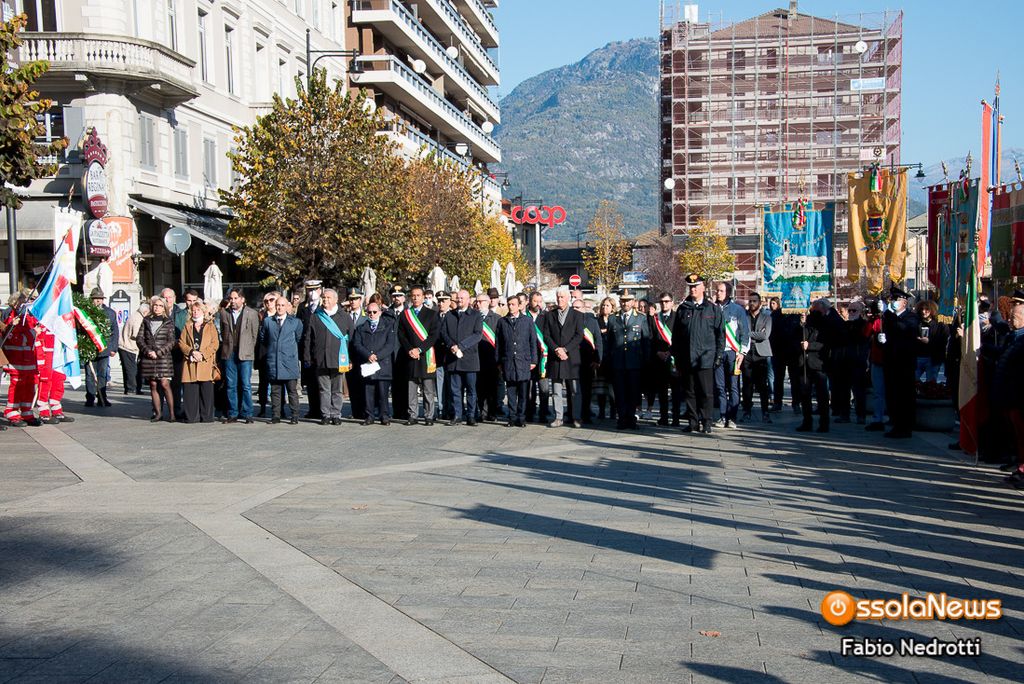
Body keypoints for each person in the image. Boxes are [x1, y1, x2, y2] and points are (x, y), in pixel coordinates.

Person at [672, 274, 724, 434]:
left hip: (705, 358)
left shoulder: (712, 308)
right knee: (690, 392)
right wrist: (677, 357)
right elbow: (676, 336)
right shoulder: (683, 308)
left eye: (695, 286)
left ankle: (706, 422)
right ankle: (693, 422)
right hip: (687, 358)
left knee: (706, 392)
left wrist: (718, 356)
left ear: (703, 288)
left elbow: (720, 335)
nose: (693, 289)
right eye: (690, 287)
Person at [304, 288, 353, 426]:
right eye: (324, 297)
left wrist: (350, 359)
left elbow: (352, 339)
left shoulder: (344, 317)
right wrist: (307, 357)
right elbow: (308, 338)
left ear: (336, 300)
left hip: (339, 359)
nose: (325, 300)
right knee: (324, 389)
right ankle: (325, 414)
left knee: (337, 390)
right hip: (321, 359)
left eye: (328, 297)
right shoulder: (316, 316)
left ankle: (336, 414)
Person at [542, 287, 585, 428]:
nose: (559, 299)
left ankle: (576, 417)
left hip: (571, 357)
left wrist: (565, 349)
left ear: (568, 298)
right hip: (556, 357)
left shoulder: (577, 315)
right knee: (556, 390)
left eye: (562, 297)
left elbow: (579, 335)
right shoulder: (550, 315)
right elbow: (546, 335)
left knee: (575, 390)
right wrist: (556, 349)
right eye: (558, 297)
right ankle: (558, 417)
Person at [880, 286, 920, 439]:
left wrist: (889, 313)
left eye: (897, 299)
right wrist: (880, 339)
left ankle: (905, 426)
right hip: (890, 360)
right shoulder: (889, 317)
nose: (894, 302)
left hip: (904, 362)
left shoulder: (911, 317)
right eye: (892, 299)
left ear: (904, 302)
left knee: (904, 396)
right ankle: (895, 423)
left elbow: (903, 328)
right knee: (892, 394)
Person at [397, 286, 440, 425]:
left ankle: (429, 416)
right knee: (412, 388)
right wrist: (410, 349)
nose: (415, 298)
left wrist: (420, 349)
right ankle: (413, 415)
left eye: (418, 295)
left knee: (428, 389)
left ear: (423, 297)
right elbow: (401, 335)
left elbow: (434, 335)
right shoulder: (405, 314)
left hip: (426, 355)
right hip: (410, 356)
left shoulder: (432, 314)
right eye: (413, 295)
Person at [607, 292, 650, 430]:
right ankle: (621, 418)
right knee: (619, 393)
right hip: (618, 362)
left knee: (633, 392)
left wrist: (646, 361)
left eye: (628, 301)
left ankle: (631, 419)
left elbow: (645, 341)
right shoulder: (613, 318)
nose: (625, 303)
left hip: (635, 362)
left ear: (633, 302)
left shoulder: (641, 318)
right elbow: (609, 342)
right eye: (623, 300)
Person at [217, 288, 260, 424]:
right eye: (231, 298)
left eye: (235, 298)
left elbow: (255, 335)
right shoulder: (224, 313)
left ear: (242, 299)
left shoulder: (251, 313)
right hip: (229, 353)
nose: (233, 301)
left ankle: (248, 413)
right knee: (231, 385)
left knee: (246, 384)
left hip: (245, 354)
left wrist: (248, 349)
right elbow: (223, 333)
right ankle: (233, 413)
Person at [259, 295, 304, 424]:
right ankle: (276, 415)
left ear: (287, 306)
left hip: (289, 361)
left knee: (292, 391)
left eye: (282, 305)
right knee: (275, 391)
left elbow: (298, 338)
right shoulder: (268, 321)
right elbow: (263, 338)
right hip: (274, 361)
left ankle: (294, 415)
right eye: (278, 305)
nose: (280, 307)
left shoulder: (295, 322)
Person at [441, 289, 483, 426]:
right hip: (453, 359)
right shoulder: (449, 315)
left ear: (468, 300)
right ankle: (457, 415)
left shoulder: (476, 315)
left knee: (471, 390)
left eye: (462, 298)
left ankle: (471, 416)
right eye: (458, 298)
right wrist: (452, 345)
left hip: (469, 359)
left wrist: (461, 346)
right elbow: (444, 332)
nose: (459, 300)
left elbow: (478, 334)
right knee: (455, 390)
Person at [496, 293, 538, 427]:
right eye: (509, 304)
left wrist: (534, 360)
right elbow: (499, 343)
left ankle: (521, 417)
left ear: (519, 306)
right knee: (511, 392)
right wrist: (498, 362)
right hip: (508, 362)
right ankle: (512, 417)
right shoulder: (502, 322)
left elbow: (533, 342)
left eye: (513, 304)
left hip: (523, 361)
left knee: (523, 393)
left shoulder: (527, 321)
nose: (510, 307)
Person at [353, 301, 397, 425]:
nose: (372, 314)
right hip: (368, 364)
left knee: (383, 393)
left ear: (380, 312)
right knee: (368, 392)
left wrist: (377, 356)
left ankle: (384, 416)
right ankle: (369, 416)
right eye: (369, 312)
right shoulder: (361, 327)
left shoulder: (388, 326)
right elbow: (357, 344)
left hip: (383, 364)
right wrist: (368, 355)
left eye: (374, 312)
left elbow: (390, 345)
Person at [713, 282, 749, 429]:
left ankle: (732, 417)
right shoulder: (713, 308)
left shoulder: (737, 310)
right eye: (717, 291)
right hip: (718, 353)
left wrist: (742, 352)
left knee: (733, 387)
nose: (718, 293)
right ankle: (722, 416)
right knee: (720, 387)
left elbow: (744, 332)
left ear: (728, 293)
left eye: (721, 291)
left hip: (733, 352)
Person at [997, 290, 1024, 488]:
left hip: (1019, 395)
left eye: (1014, 317)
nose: (1010, 320)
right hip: (1012, 394)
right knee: (1018, 436)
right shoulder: (1016, 338)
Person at [2, 294, 41, 427]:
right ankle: (12, 412)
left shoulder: (28, 318)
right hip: (16, 360)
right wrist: (33, 333)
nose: (25, 305)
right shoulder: (11, 317)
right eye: (22, 302)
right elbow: (13, 337)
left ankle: (26, 412)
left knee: (29, 386)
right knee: (16, 386)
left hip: (28, 359)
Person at [178, 299, 220, 423]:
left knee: (206, 391)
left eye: (198, 310)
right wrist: (191, 352)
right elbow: (181, 343)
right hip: (190, 362)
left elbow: (215, 343)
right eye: (193, 310)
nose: (195, 312)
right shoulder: (187, 326)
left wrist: (203, 354)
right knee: (190, 390)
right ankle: (192, 416)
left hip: (205, 362)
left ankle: (206, 416)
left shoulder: (210, 326)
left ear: (203, 311)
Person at [138, 296, 178, 422]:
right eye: (155, 305)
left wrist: (159, 352)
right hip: (149, 357)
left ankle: (172, 414)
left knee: (165, 383)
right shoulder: (146, 320)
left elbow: (171, 341)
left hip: (163, 358)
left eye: (160, 306)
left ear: (164, 308)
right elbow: (140, 338)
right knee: (153, 384)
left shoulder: (168, 321)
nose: (157, 308)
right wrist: (148, 351)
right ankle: (158, 413)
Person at [832, 300, 870, 425]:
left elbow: (862, 338)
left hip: (858, 361)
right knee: (844, 390)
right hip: (844, 361)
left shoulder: (864, 324)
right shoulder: (844, 325)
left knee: (859, 390)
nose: (851, 312)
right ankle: (844, 414)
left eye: (854, 310)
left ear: (860, 312)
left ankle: (861, 415)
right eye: (850, 310)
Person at [796, 302, 831, 433]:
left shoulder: (824, 324)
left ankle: (824, 422)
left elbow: (825, 344)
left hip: (818, 364)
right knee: (805, 394)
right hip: (804, 364)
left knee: (822, 395)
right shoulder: (805, 324)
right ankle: (807, 421)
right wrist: (801, 324)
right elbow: (796, 338)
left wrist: (809, 346)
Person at [741, 292, 773, 423]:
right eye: (750, 301)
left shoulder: (767, 318)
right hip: (747, 352)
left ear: (760, 303)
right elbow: (741, 332)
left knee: (762, 385)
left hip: (761, 354)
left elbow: (765, 336)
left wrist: (749, 334)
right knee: (747, 384)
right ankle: (747, 411)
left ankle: (765, 412)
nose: (752, 303)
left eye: (754, 301)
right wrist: (755, 334)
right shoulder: (744, 316)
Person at [84, 287, 119, 408]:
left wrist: (114, 348)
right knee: (89, 375)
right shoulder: (86, 313)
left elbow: (115, 331)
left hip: (104, 349)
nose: (98, 301)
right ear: (91, 299)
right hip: (90, 349)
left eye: (100, 298)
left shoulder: (110, 313)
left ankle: (102, 397)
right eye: (95, 299)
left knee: (102, 374)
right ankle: (90, 397)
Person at [648, 292, 678, 426]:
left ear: (672, 302)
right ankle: (664, 417)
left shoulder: (678, 317)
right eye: (662, 302)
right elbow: (650, 338)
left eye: (666, 301)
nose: (664, 304)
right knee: (662, 391)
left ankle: (676, 418)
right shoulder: (655, 318)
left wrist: (671, 352)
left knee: (676, 390)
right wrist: (657, 352)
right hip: (659, 359)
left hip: (674, 358)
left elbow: (680, 337)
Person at [297, 279, 324, 419]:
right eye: (309, 290)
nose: (312, 293)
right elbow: (299, 327)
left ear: (320, 290)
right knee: (310, 382)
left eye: (314, 290)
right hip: (306, 350)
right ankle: (313, 409)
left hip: (320, 348)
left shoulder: (324, 306)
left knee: (322, 381)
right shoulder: (303, 307)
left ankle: (323, 409)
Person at [574, 298, 603, 424]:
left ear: (584, 308)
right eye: (573, 307)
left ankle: (586, 414)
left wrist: (598, 359)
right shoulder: (569, 321)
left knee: (586, 390)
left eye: (578, 307)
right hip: (573, 361)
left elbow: (598, 341)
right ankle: (573, 414)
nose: (575, 310)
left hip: (588, 361)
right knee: (573, 390)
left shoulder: (592, 322)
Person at [475, 291, 502, 422]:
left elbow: (500, 339)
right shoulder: (473, 317)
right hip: (477, 357)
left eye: (481, 301)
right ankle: (482, 412)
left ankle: (492, 412)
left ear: (488, 302)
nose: (478, 304)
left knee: (492, 388)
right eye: (477, 301)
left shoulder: (497, 318)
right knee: (480, 387)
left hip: (492, 358)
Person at [525, 291, 551, 423]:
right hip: (528, 357)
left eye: (540, 301)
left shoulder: (546, 316)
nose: (538, 304)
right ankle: (529, 413)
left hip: (543, 358)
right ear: (530, 301)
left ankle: (543, 413)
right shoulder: (524, 316)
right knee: (529, 389)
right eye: (535, 301)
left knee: (544, 388)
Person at [256, 291, 280, 417]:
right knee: (263, 383)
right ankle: (263, 407)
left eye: (271, 300)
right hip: (264, 354)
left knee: (278, 383)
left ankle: (279, 408)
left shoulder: (280, 316)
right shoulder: (260, 316)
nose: (269, 303)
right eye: (266, 301)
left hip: (278, 354)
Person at [594, 296, 617, 421]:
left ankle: (613, 411)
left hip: (612, 358)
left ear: (612, 307)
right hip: (601, 358)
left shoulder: (616, 320)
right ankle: (601, 411)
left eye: (607, 305)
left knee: (612, 387)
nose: (604, 307)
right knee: (600, 386)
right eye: (603, 305)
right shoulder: (597, 320)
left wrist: (606, 332)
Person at [388, 285, 409, 420]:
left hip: (405, 353)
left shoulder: (410, 313)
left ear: (404, 298)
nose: (397, 298)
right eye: (394, 296)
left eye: (400, 295)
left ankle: (407, 411)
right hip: (390, 354)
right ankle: (397, 411)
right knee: (395, 384)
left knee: (406, 384)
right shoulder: (387, 313)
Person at [914, 300, 948, 383]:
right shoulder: (916, 323)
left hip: (933, 358)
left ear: (932, 310)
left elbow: (943, 341)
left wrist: (929, 341)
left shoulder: (940, 325)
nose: (924, 311)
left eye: (927, 309)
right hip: (918, 357)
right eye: (922, 309)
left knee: (931, 383)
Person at [118, 301, 148, 395]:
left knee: (129, 369)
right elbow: (136, 334)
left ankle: (132, 388)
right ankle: (131, 389)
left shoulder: (136, 315)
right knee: (131, 370)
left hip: (127, 346)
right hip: (128, 347)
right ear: (145, 312)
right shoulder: (138, 318)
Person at [434, 291, 452, 420]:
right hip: (438, 354)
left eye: (444, 301)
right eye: (439, 301)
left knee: (451, 384)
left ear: (449, 301)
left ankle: (450, 409)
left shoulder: (454, 315)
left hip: (450, 354)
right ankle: (441, 408)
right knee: (439, 382)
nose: (441, 303)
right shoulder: (434, 316)